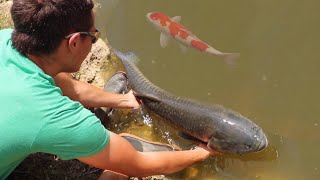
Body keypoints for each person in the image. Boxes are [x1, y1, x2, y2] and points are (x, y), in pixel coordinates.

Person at [0, 0, 218, 179]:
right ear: (74, 42)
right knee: (118, 170)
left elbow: (67, 86)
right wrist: (200, 153)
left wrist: (122, 100)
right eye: (94, 36)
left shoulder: (6, 40)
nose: (95, 40)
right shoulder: (50, 113)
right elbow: (138, 165)